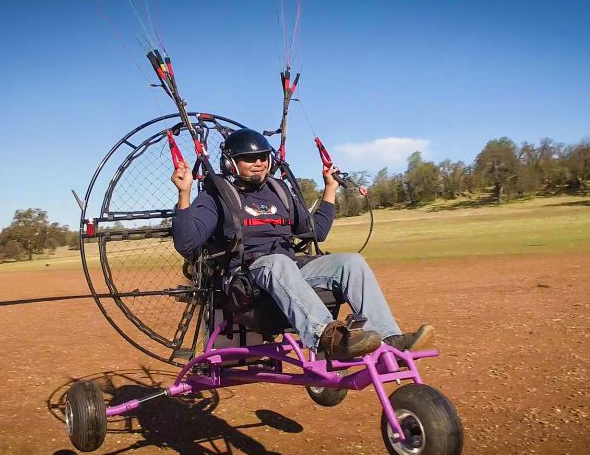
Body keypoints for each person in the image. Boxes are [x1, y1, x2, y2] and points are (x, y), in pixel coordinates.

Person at [171, 128, 432, 361]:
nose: (259, 163)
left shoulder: (279, 190)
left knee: (351, 262)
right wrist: (184, 194)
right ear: (231, 163)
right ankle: (326, 336)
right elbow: (187, 243)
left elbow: (316, 232)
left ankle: (389, 340)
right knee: (276, 263)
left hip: (289, 270)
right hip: (248, 278)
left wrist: (330, 188)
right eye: (249, 158)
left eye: (262, 156)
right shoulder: (217, 195)